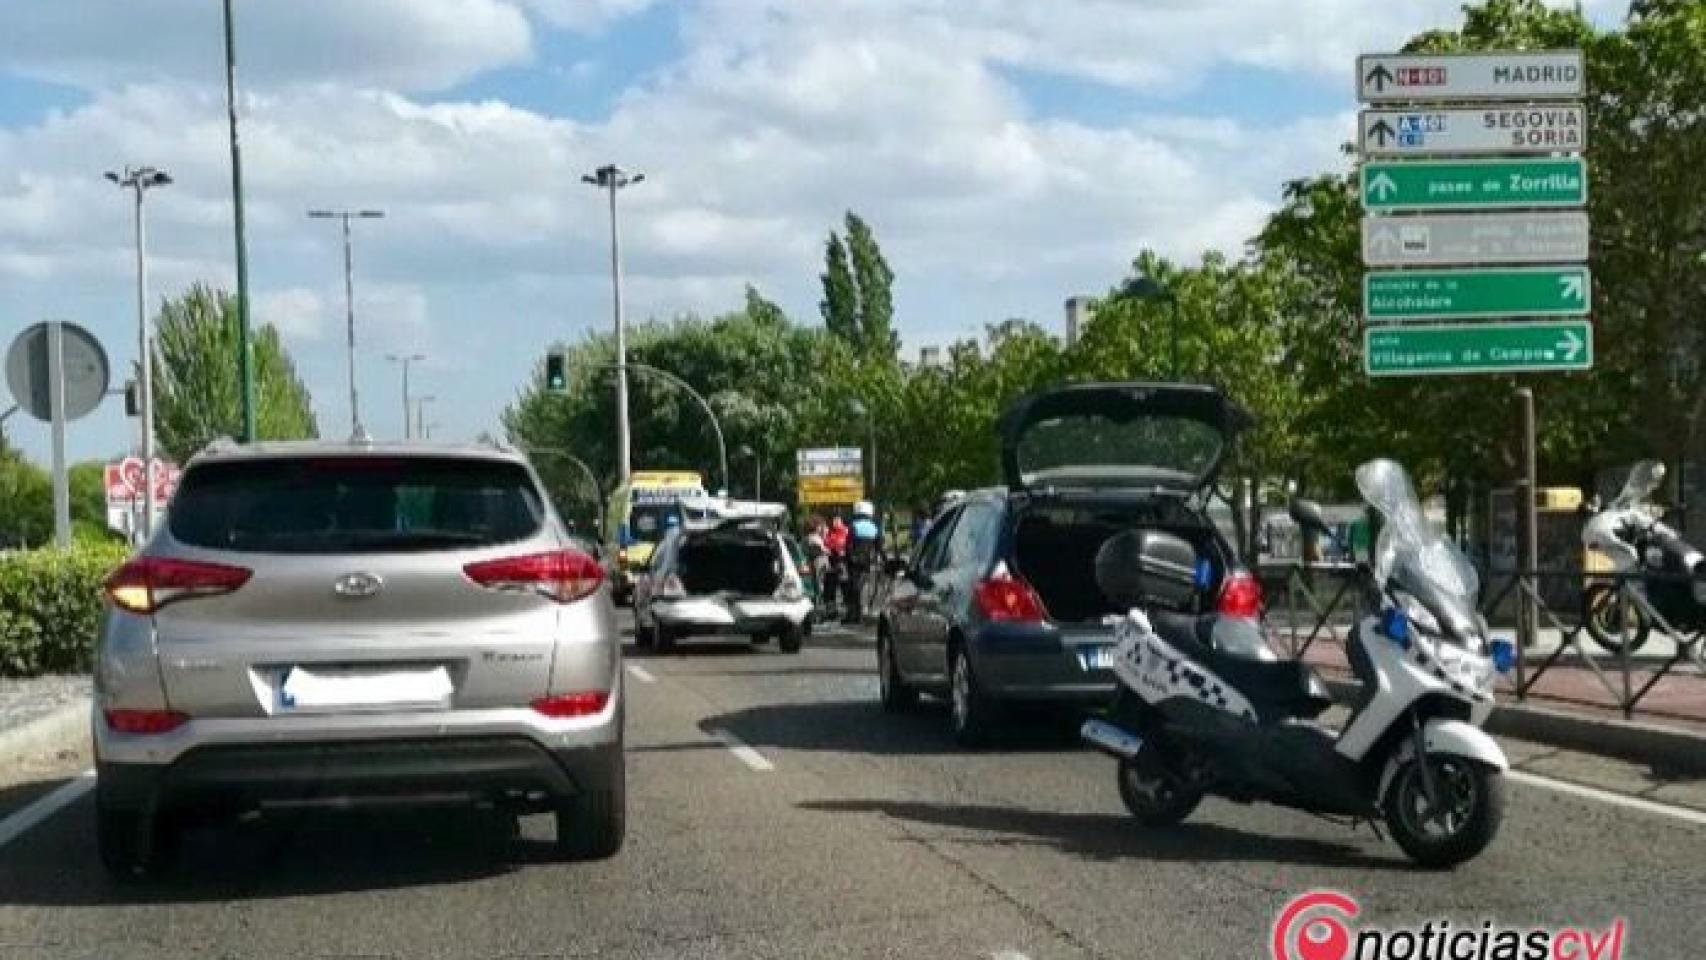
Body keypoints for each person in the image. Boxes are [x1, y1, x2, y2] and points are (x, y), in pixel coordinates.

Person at [844, 501, 881, 624]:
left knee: (853, 587)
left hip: (854, 561)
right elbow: (878, 546)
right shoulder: (875, 527)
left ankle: (854, 613)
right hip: (868, 561)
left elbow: (848, 545)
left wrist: (849, 557)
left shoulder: (853, 526)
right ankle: (863, 612)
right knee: (864, 586)